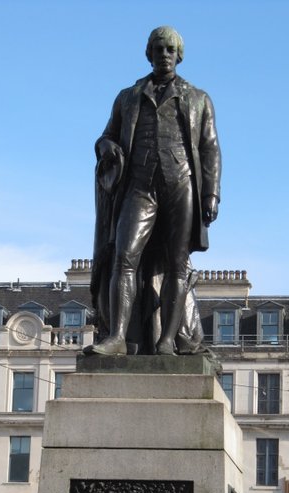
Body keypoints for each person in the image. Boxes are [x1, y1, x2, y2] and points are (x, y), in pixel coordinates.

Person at [88, 26, 221, 356]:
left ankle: (166, 342)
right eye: (158, 49)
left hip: (181, 183)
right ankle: (117, 337)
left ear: (179, 55)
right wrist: (105, 147)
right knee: (124, 256)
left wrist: (212, 194)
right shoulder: (128, 97)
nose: (164, 54)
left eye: (170, 49)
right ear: (149, 53)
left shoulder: (198, 98)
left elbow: (210, 148)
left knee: (178, 265)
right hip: (139, 185)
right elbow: (107, 135)